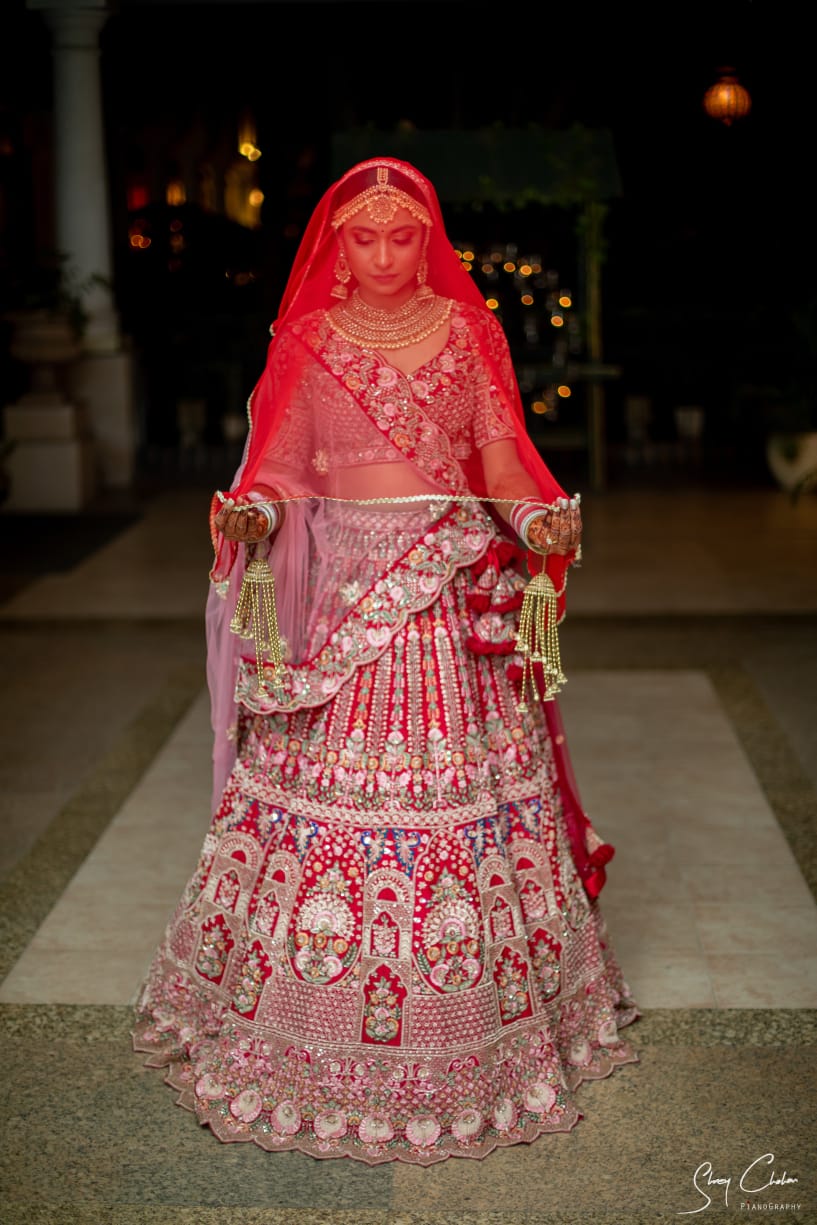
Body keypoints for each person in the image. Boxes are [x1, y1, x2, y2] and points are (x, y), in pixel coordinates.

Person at [133, 157, 639, 1165]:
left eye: (399, 236)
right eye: (360, 238)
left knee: (457, 805)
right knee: (325, 806)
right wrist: (255, 512)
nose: (379, 256)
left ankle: (469, 1037)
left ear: (429, 240)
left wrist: (537, 515)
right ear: (334, 246)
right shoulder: (309, 342)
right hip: (340, 613)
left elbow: (498, 459)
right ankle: (304, 1029)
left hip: (441, 602)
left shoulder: (468, 332)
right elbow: (280, 467)